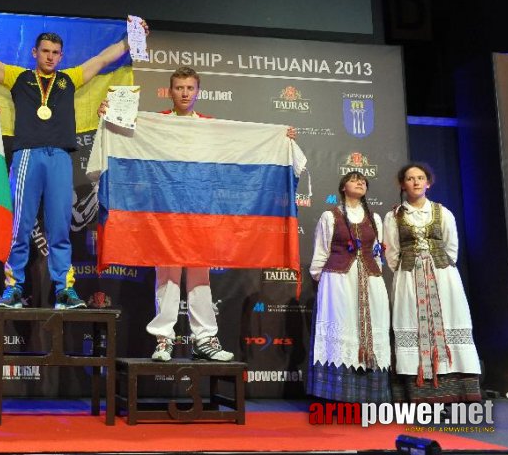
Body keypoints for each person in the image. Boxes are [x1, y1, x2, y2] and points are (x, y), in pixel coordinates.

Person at [0, 9, 147, 309]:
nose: (50, 57)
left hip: (61, 158)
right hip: (27, 156)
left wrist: (131, 40)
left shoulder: (69, 79)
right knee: (21, 225)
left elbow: (101, 60)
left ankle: (65, 290)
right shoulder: (18, 77)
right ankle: (13, 289)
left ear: (61, 56)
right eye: (45, 52)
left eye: (56, 53)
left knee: (60, 227)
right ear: (34, 52)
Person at [98, 66, 294, 361]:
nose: (185, 93)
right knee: (167, 276)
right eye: (179, 88)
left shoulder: (210, 125)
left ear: (198, 91)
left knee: (200, 276)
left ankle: (205, 339)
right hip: (164, 211)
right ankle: (163, 339)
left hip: (200, 212)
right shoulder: (156, 123)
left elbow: (241, 144)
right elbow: (123, 136)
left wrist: (280, 137)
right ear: (170, 90)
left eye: (190, 88)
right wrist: (109, 116)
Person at [383, 162, 482, 402]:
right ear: (402, 184)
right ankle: (417, 394)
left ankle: (456, 393)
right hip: (409, 278)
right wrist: (411, 269)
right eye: (410, 178)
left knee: (447, 323)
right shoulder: (394, 216)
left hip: (442, 278)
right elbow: (392, 253)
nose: (416, 182)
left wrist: (436, 267)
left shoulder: (442, 212)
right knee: (412, 324)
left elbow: (452, 248)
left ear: (428, 182)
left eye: (420, 177)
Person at [306, 171, 390, 402]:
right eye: (354, 179)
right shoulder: (330, 216)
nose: (360, 182)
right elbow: (321, 252)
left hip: (370, 280)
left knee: (369, 330)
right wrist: (323, 282)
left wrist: (375, 274)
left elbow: (378, 254)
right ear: (343, 187)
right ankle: (335, 395)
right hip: (338, 281)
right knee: (342, 326)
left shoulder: (375, 218)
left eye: (363, 180)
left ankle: (369, 395)